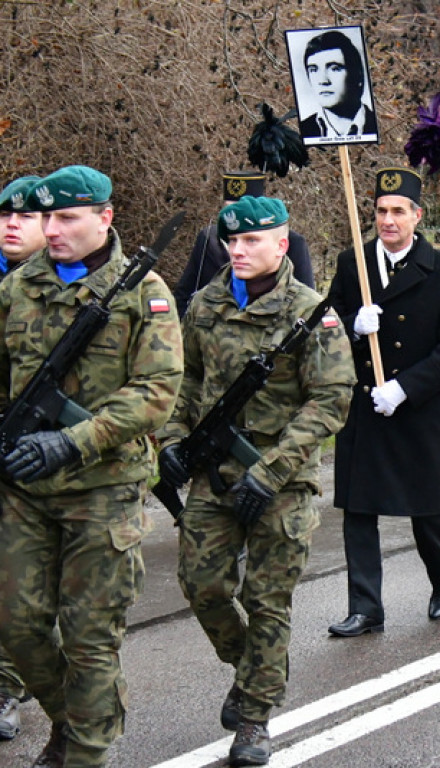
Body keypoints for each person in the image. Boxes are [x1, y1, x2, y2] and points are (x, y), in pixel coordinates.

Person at [156, 195, 353, 766]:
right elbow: (186, 380)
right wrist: (171, 440)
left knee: (267, 601)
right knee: (202, 586)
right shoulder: (206, 303)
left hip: (282, 483)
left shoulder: (311, 312)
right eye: (231, 241)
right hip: (214, 477)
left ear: (281, 245)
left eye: (250, 241)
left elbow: (329, 403)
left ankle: (255, 719)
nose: (237, 251)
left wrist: (270, 472)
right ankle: (255, 667)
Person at [0, 165, 184, 767]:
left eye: (67, 217)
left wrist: (74, 440)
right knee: (17, 626)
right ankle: (80, 719)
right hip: (24, 488)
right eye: (46, 217)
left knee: (88, 637)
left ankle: (84, 750)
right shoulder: (18, 287)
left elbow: (157, 391)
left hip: (102, 488)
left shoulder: (145, 293)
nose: (51, 229)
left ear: (104, 218)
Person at [327, 168, 440, 635]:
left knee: (427, 512)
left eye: (397, 212)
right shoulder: (355, 264)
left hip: (419, 407)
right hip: (368, 406)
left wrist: (404, 387)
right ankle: (366, 607)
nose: (387, 221)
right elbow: (326, 324)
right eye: (380, 211)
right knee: (359, 509)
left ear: (417, 215)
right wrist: (352, 324)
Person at [0, 174, 47, 743]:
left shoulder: (90, 289)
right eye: (4, 215)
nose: (11, 224)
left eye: (26, 216)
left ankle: (9, 685)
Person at [173, 170, 315, 316]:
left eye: (252, 240)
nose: (237, 251)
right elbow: (184, 295)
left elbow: (305, 296)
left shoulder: (292, 242)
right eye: (230, 209)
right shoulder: (209, 238)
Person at [298, 30, 378, 141]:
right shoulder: (302, 131)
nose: (323, 80)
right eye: (313, 70)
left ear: (357, 75)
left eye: (334, 68)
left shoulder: (378, 125)